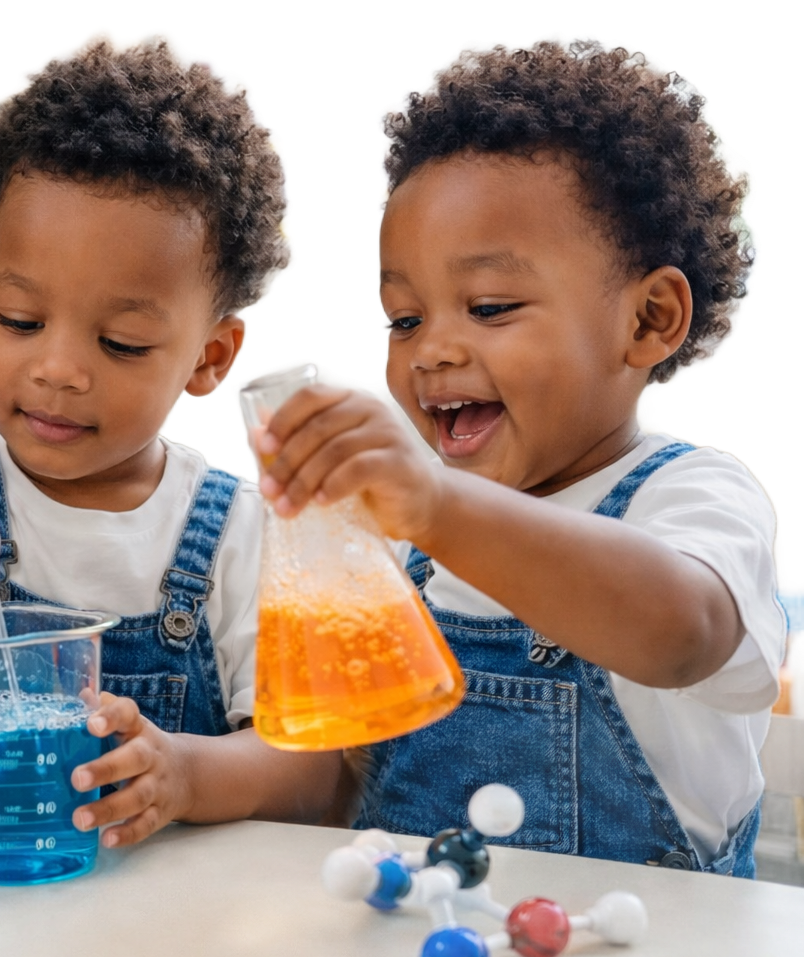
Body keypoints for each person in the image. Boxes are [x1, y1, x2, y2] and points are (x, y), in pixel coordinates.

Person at [0, 28, 342, 849]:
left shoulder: (244, 530)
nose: (59, 369)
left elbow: (311, 769)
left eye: (119, 343)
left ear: (210, 356)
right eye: (21, 321)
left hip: (177, 938)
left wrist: (185, 774)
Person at [256, 31, 782, 875]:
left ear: (649, 321)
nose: (430, 352)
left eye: (492, 306)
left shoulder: (693, 495)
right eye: (404, 319)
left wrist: (437, 507)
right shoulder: (398, 535)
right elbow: (332, 778)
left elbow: (682, 631)